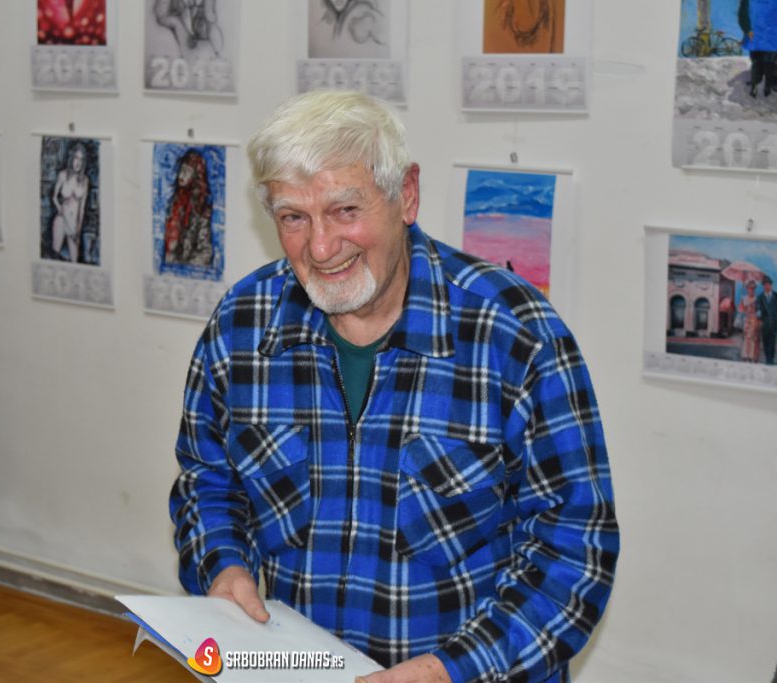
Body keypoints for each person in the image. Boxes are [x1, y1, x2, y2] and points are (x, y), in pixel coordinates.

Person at [169, 90, 618, 683]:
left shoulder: (514, 334)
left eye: (344, 210)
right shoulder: (242, 324)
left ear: (406, 195)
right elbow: (208, 480)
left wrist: (448, 672)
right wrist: (223, 565)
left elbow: (575, 548)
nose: (320, 248)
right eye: (294, 218)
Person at [163, 148, 213, 267]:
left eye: (188, 171)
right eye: (182, 169)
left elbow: (205, 252)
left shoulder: (201, 210)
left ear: (196, 175)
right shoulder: (174, 202)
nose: (181, 174)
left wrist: (182, 266)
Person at [50, 142, 91, 263]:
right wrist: (60, 209)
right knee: (55, 256)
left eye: (81, 160)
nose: (78, 162)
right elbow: (54, 197)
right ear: (72, 158)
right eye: (76, 158)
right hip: (62, 220)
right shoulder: (63, 175)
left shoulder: (85, 181)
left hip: (73, 225)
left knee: (75, 261)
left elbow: (82, 209)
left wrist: (78, 229)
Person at [739, 0, 777, 97]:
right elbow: (743, 14)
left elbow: (743, 14)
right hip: (764, 36)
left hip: (765, 35)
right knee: (765, 62)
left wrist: (748, 30)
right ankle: (763, 86)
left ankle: (760, 85)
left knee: (762, 61)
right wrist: (747, 30)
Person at [739, 280, 762, 362]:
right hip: (746, 320)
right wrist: (744, 308)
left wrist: (757, 317)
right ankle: (745, 355)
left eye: (752, 289)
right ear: (747, 289)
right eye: (749, 288)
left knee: (753, 338)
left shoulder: (757, 299)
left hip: (754, 319)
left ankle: (751, 356)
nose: (751, 290)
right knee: (746, 337)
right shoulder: (744, 298)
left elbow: (759, 310)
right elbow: (741, 309)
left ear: (754, 289)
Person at [758, 275, 777, 364]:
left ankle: (771, 360)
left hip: (774, 322)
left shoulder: (776, 296)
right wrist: (759, 319)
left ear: (771, 285)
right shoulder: (760, 297)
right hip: (764, 323)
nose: (767, 286)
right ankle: (767, 359)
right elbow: (758, 309)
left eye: (768, 284)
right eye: (765, 285)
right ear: (763, 286)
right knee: (765, 341)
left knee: (772, 342)